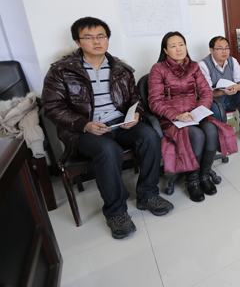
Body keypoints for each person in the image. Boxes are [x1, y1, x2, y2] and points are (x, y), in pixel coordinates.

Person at [42, 17, 173, 239]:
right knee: (107, 150)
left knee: (150, 136)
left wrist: (136, 114)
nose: (96, 42)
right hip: (83, 129)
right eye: (89, 37)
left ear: (107, 39)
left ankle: (147, 194)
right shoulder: (61, 71)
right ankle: (116, 212)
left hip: (119, 122)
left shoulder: (121, 68)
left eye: (101, 36)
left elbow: (135, 98)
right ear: (78, 41)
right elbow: (52, 107)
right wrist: (85, 124)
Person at [148, 32, 235, 203]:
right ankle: (192, 180)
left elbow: (206, 92)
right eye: (173, 46)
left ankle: (204, 175)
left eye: (181, 44)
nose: (178, 49)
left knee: (211, 130)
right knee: (197, 135)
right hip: (173, 119)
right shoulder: (158, 69)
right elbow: (155, 101)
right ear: (165, 50)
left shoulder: (194, 66)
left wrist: (199, 110)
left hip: (196, 114)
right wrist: (177, 115)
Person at [200, 36, 240, 144]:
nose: (224, 51)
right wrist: (223, 92)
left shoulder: (232, 61)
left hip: (231, 96)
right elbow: (206, 93)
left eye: (227, 48)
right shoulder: (203, 65)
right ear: (211, 50)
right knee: (215, 107)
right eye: (220, 48)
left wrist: (236, 87)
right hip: (215, 100)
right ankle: (221, 137)